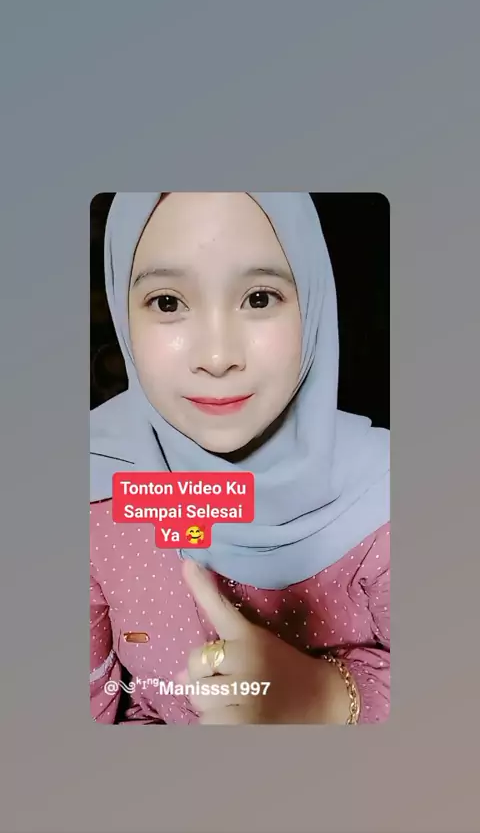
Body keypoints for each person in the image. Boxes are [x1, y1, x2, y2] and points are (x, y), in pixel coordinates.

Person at [90, 192, 390, 725]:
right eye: (167, 303)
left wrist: (323, 698)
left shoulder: (390, 495)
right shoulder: (92, 483)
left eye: (258, 298)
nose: (217, 357)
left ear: (313, 300)